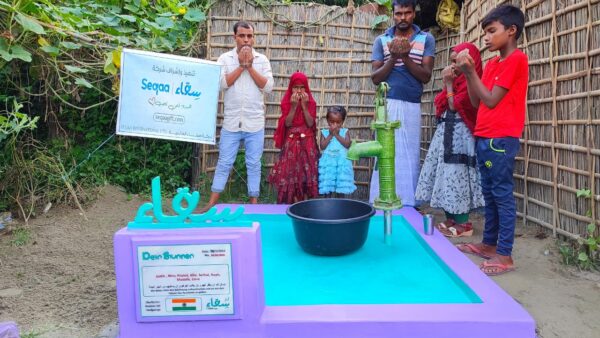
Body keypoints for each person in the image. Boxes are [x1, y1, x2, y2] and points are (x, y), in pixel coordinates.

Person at [455, 5, 529, 276]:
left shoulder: (517, 60)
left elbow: (491, 99)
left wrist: (472, 72)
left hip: (501, 139)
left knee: (501, 195)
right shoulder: (493, 63)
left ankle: (505, 255)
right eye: (485, 32)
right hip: (485, 136)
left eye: (491, 31)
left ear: (511, 31)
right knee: (489, 194)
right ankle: (488, 245)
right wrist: (468, 73)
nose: (485, 37)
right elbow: (476, 101)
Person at [201, 21, 274, 211]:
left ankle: (254, 205)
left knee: (254, 164)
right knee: (224, 162)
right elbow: (221, 84)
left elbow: (268, 87)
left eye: (250, 36)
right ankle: (211, 203)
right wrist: (241, 66)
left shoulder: (262, 59)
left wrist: (250, 67)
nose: (246, 40)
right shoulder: (224, 59)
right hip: (231, 122)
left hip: (255, 122)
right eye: (242, 36)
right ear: (235, 37)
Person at [369, 0, 435, 207]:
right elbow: (375, 78)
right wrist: (393, 58)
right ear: (392, 13)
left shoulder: (426, 39)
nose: (403, 18)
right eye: (398, 13)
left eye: (407, 13)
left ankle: (408, 202)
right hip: (387, 104)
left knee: (409, 153)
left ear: (414, 13)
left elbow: (425, 76)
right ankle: (381, 198)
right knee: (386, 151)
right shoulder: (382, 40)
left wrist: (405, 58)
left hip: (412, 103)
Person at [415, 43, 485, 238]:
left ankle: (464, 224)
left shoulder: (472, 83)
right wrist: (449, 84)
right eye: (452, 61)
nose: (454, 65)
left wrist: (447, 84)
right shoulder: (456, 83)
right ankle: (452, 219)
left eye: (457, 61)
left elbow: (455, 106)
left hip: (461, 139)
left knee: (458, 176)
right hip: (445, 136)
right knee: (445, 176)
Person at [268, 72, 319, 204]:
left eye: (302, 87)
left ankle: (306, 203)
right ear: (291, 88)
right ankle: (293, 202)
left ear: (306, 88)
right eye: (296, 87)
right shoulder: (286, 102)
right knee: (291, 172)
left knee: (306, 172)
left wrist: (304, 106)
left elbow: (310, 123)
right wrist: (294, 106)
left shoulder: (311, 103)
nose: (299, 91)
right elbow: (288, 123)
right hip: (291, 143)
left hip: (307, 143)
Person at [318, 106, 356, 196]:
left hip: (341, 163)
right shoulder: (324, 132)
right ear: (327, 121)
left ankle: (341, 203)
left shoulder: (345, 132)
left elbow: (347, 144)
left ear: (342, 121)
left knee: (341, 185)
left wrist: (337, 135)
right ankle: (327, 204)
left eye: (338, 122)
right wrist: (331, 135)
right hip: (329, 163)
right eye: (332, 122)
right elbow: (322, 147)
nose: (335, 125)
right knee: (328, 184)